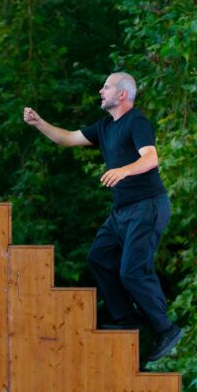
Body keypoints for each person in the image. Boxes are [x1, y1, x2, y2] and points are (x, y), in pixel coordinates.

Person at [22, 72, 183, 364]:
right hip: (122, 212)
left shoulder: (137, 122)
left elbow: (151, 158)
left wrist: (123, 170)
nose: (100, 91)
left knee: (132, 271)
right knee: (99, 256)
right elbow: (68, 138)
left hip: (147, 206)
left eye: (106, 87)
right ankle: (127, 320)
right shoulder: (106, 126)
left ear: (122, 94)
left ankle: (166, 329)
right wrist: (39, 123)